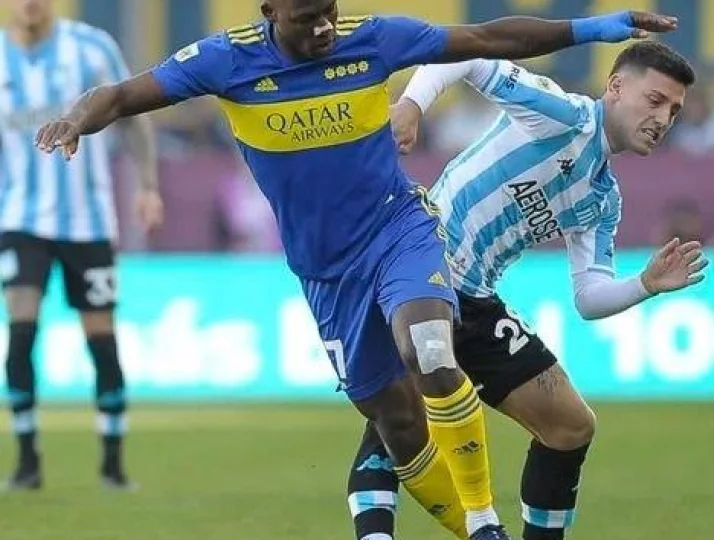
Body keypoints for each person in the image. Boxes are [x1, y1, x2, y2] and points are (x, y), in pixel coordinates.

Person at [34, 2, 676, 539]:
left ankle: (484, 522)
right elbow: (122, 94)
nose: (324, 27)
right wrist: (75, 120)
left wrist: (593, 28)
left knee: (430, 348)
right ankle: (464, 530)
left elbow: (484, 40)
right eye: (308, 17)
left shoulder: (369, 40)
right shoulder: (226, 60)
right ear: (270, 12)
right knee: (397, 424)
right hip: (326, 271)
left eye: (329, 12)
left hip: (400, 230)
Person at [351, 41, 706, 540]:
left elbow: (589, 297)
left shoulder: (603, 198)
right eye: (655, 100)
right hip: (417, 271)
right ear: (615, 87)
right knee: (400, 419)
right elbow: (468, 57)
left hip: (474, 299)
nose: (663, 118)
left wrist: (644, 285)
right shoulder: (561, 114)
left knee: (570, 426)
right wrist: (411, 104)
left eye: (673, 110)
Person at [1, 0, 163, 491]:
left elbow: (132, 115)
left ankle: (112, 466)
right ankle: (27, 463)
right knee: (21, 331)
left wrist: (147, 185)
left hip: (88, 221)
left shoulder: (92, 47)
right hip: (19, 218)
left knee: (101, 341)